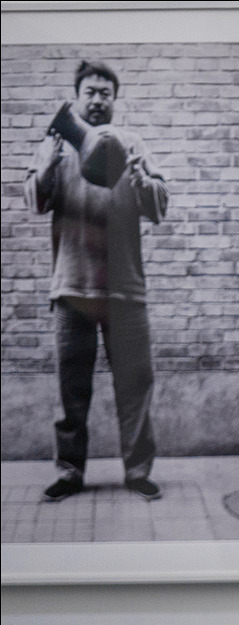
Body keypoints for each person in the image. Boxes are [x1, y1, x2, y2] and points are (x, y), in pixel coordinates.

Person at [24, 60, 169, 502]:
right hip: (72, 290)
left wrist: (143, 179)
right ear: (79, 95)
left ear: (114, 99)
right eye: (90, 91)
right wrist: (48, 161)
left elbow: (159, 207)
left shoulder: (133, 142)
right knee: (71, 390)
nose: (98, 98)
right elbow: (35, 201)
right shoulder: (57, 145)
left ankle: (138, 472)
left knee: (135, 385)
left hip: (125, 290)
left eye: (105, 92)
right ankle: (70, 472)